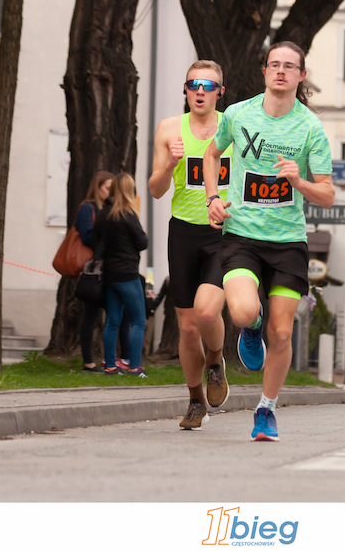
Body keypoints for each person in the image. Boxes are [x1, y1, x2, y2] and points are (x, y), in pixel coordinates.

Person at [202, 41, 334, 441]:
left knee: (282, 334)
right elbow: (211, 155)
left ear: (301, 75)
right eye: (274, 64)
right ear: (264, 71)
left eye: (289, 66)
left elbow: (327, 194)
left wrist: (299, 181)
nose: (280, 71)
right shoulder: (238, 114)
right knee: (243, 312)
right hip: (241, 234)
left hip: (287, 241)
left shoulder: (310, 128)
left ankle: (266, 410)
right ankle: (251, 326)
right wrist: (212, 198)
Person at [149, 60, 232, 431]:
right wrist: (169, 163)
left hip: (222, 231)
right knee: (186, 328)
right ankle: (196, 399)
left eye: (208, 85)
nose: (200, 91)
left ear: (219, 93)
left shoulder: (234, 127)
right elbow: (155, 189)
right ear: (185, 90)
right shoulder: (170, 129)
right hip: (183, 230)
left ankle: (216, 358)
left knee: (207, 313)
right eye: (193, 84)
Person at [94, 173, 149, 377]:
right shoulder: (127, 214)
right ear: (128, 190)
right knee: (139, 321)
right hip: (127, 273)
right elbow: (142, 242)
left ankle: (110, 366)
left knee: (112, 320)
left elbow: (96, 240)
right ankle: (134, 367)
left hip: (109, 273)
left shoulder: (103, 213)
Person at [74, 170, 114, 372]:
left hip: (108, 267)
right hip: (93, 269)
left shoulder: (109, 209)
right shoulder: (87, 209)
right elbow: (87, 237)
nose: (110, 192)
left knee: (113, 314)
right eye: (107, 188)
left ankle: (112, 360)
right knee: (91, 315)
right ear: (97, 188)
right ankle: (88, 361)